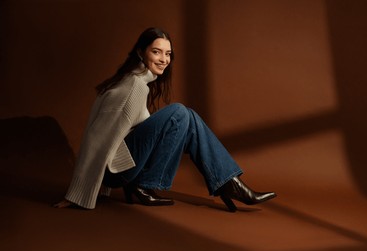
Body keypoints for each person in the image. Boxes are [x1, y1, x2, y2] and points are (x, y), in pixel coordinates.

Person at [54, 27, 276, 212]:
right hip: (117, 172)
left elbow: (138, 131)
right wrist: (79, 193)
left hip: (124, 167)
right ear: (141, 53)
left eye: (168, 54)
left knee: (187, 118)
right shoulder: (134, 86)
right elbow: (98, 138)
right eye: (157, 52)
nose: (164, 60)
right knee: (180, 112)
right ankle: (227, 184)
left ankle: (228, 183)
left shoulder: (136, 81)